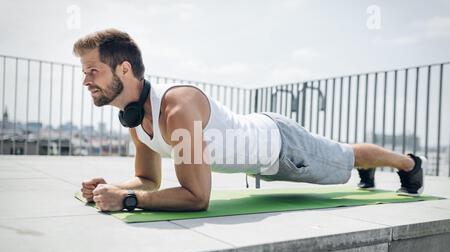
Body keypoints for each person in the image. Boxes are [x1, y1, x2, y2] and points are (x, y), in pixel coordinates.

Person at [76, 29, 426, 212]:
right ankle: (370, 167)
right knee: (344, 156)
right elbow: (148, 179)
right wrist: (117, 189)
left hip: (281, 147)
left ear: (124, 69)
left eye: (93, 70)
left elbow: (196, 197)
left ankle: (409, 164)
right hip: (263, 140)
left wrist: (128, 201)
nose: (86, 80)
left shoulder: (175, 109)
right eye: (84, 71)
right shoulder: (135, 118)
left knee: (344, 157)